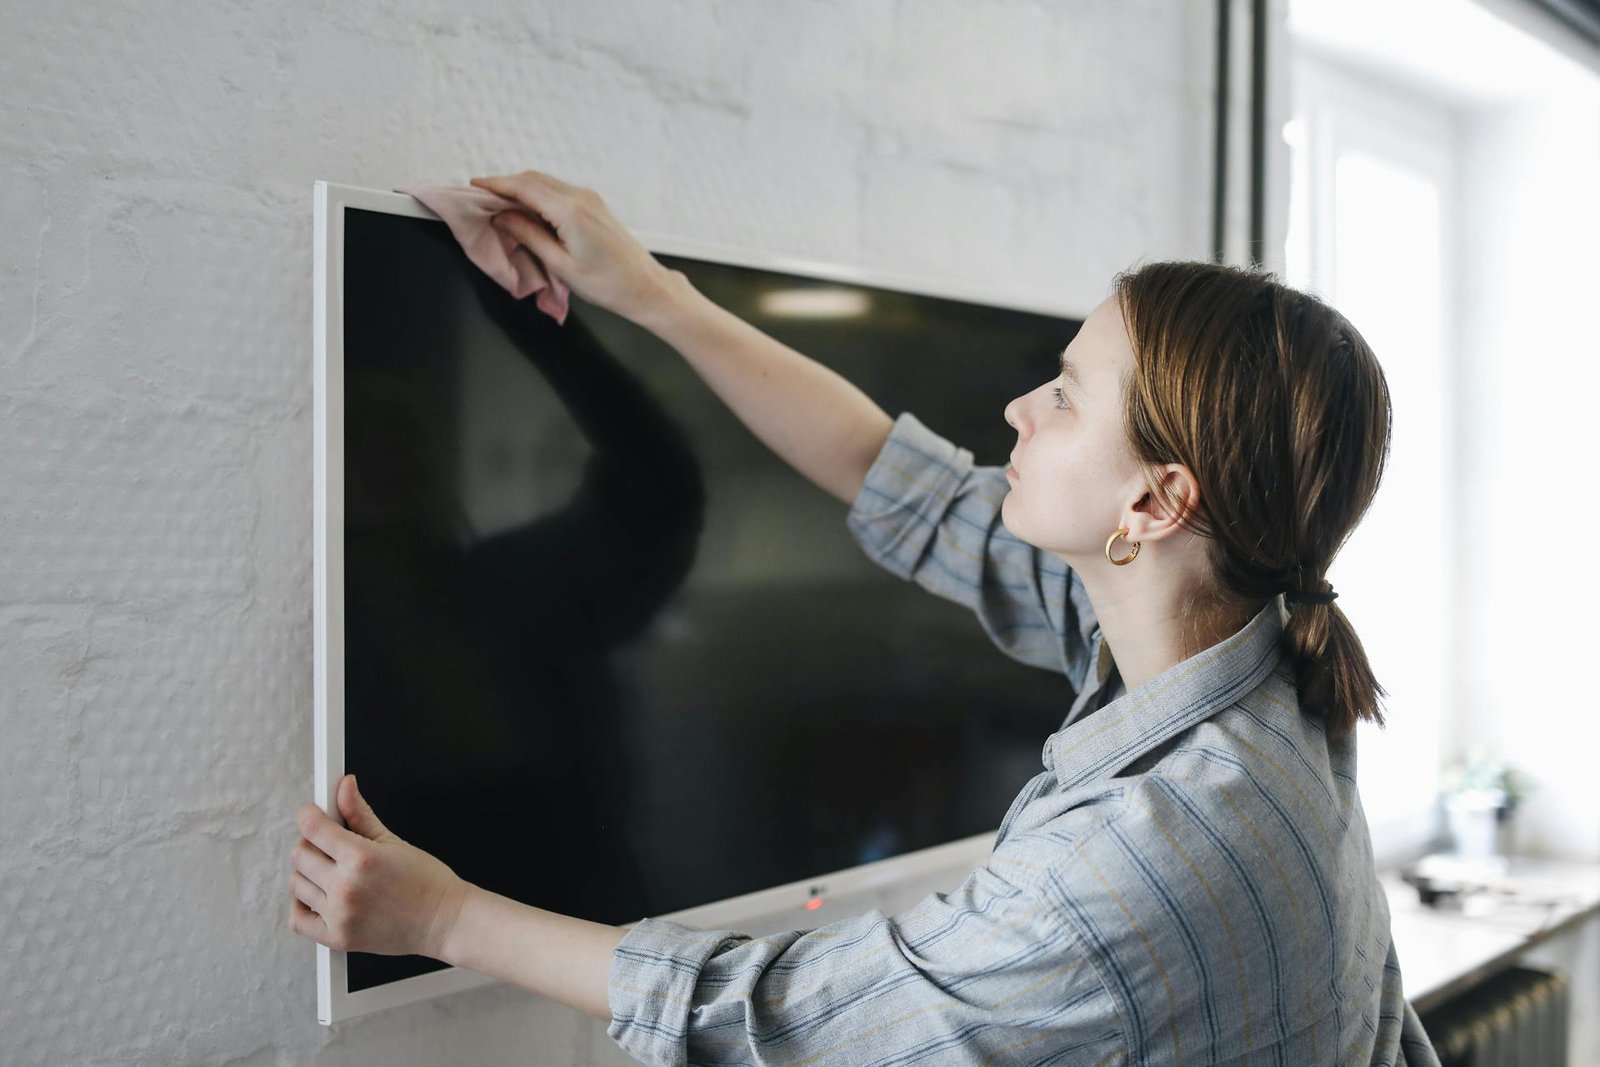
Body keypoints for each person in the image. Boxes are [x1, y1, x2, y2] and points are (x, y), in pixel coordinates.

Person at [289, 168, 1443, 1066]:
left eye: (1064, 393)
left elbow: (787, 1017)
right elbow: (894, 477)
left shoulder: (1130, 863)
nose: (1017, 407)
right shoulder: (1255, 654)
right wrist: (644, 288)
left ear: (1155, 500)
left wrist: (439, 916)